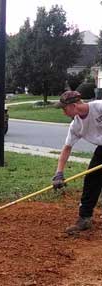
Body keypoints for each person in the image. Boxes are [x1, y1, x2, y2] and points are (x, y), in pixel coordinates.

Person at [52, 90, 102, 234]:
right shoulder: (75, 126)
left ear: (73, 106)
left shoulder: (99, 107)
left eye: (64, 108)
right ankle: (85, 218)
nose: (63, 112)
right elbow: (67, 148)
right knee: (91, 179)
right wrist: (59, 173)